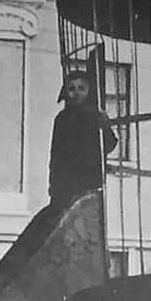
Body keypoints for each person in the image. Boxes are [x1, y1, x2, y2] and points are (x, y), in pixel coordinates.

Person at [48, 70, 118, 209]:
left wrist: (105, 126)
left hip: (89, 182)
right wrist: (53, 185)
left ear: (89, 91)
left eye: (81, 88)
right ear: (65, 92)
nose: (76, 93)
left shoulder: (95, 116)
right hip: (65, 182)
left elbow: (109, 145)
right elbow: (55, 155)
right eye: (71, 89)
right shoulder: (62, 119)